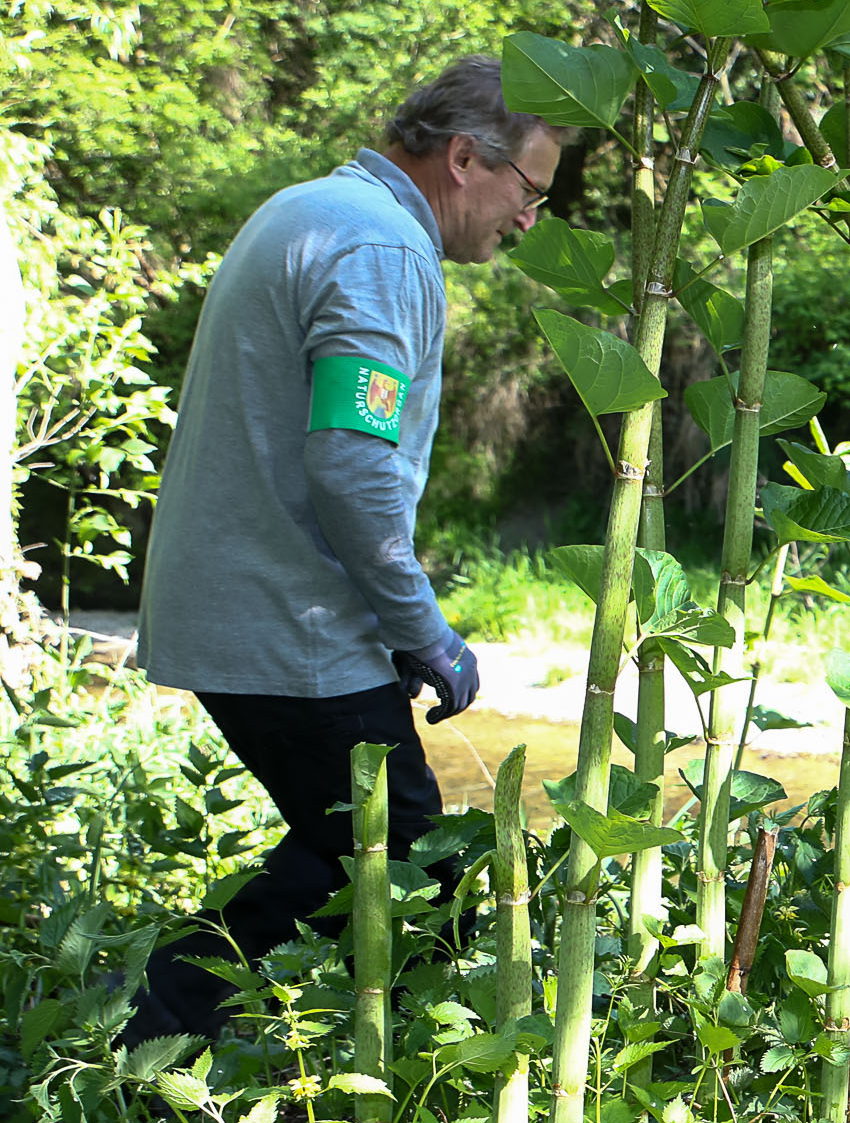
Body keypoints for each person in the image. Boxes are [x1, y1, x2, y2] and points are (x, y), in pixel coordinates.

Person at [129, 56, 560, 1042]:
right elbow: (352, 465)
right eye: (529, 189)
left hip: (244, 610)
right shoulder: (379, 251)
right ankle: (154, 1034)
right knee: (402, 863)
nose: (530, 218)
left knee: (346, 853)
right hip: (295, 627)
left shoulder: (311, 208)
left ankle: (157, 1036)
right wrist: (427, 632)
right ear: (464, 158)